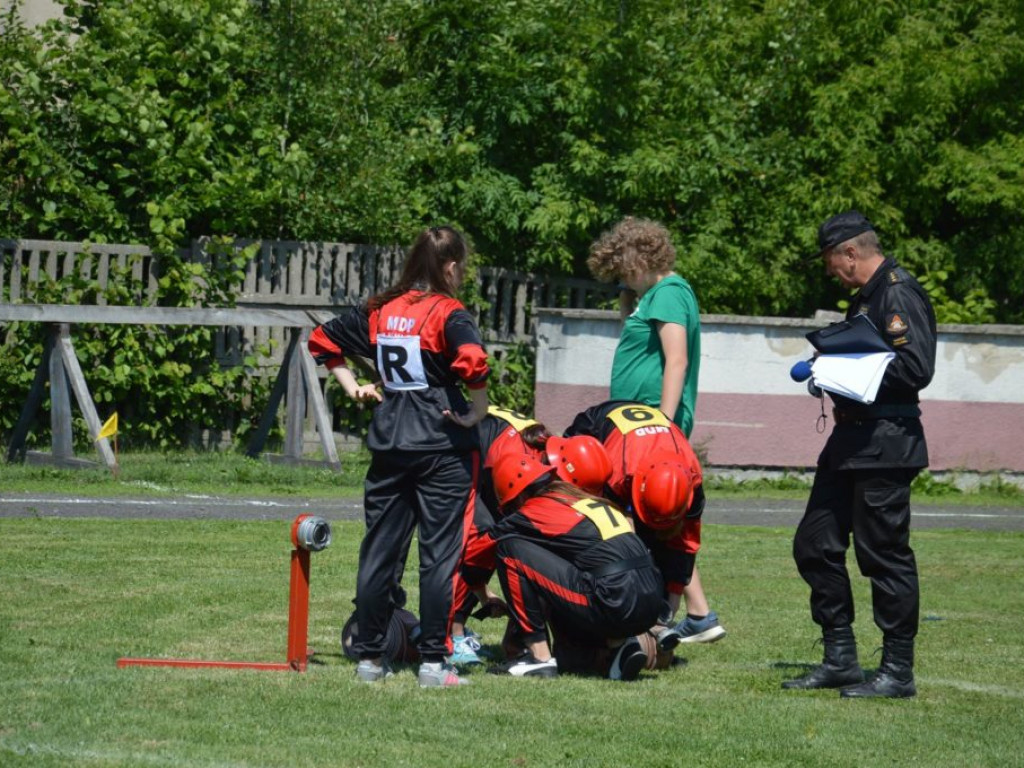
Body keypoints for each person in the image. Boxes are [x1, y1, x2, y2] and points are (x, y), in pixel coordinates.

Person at [308, 225, 490, 688]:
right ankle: (433, 663)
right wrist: (478, 411)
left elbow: (323, 340)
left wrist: (354, 387)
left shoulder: (380, 309)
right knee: (439, 557)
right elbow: (472, 360)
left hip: (390, 439)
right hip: (441, 443)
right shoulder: (450, 312)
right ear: (451, 267)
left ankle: (369, 660)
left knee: (380, 553)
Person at [783, 210, 936, 699]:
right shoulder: (866, 300)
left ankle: (897, 671)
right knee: (814, 544)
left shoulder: (897, 292)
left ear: (851, 251)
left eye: (831, 259)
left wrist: (844, 370)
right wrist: (829, 370)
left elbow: (915, 368)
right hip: (851, 441)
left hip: (886, 442)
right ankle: (841, 659)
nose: (830, 269)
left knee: (883, 556)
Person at [587, 216, 723, 642]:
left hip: (649, 423)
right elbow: (634, 334)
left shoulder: (667, 295)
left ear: (643, 259)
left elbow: (676, 360)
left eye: (626, 270)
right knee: (658, 516)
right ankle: (696, 614)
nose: (623, 279)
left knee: (653, 515)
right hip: (637, 418)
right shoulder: (652, 296)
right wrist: (631, 297)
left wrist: (662, 421)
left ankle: (671, 616)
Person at [465, 453, 666, 681]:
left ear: (517, 496)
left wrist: (481, 593)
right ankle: (619, 645)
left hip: (616, 600)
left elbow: (474, 555)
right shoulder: (581, 500)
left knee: (510, 550)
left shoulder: (533, 511)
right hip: (653, 599)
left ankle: (538, 658)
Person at [561, 400, 715, 646]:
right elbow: (617, 535)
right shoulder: (617, 473)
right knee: (601, 533)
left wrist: (667, 613)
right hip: (596, 428)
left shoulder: (693, 485)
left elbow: (685, 547)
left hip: (643, 446)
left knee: (663, 548)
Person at [447, 406, 552, 666]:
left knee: (501, 534)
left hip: (482, 455)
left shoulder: (541, 456)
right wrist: (484, 592)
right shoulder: (515, 456)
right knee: (479, 535)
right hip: (454, 456)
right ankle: (453, 634)